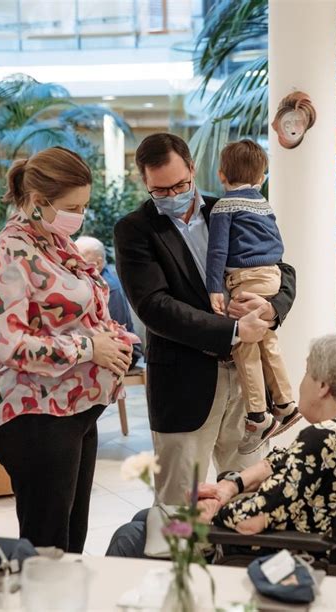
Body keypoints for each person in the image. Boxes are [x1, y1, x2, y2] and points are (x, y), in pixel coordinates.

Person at [114, 133, 296, 505]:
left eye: (180, 184)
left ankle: (237, 561)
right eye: (159, 190)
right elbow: (153, 306)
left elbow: (280, 267)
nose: (172, 195)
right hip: (186, 381)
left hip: (247, 385)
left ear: (193, 169)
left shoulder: (226, 208)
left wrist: (272, 307)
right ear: (145, 182)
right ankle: (178, 563)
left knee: (247, 493)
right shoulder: (135, 230)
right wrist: (232, 330)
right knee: (180, 501)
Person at [105, 333, 336, 558]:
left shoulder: (320, 440)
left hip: (273, 551)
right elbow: (282, 461)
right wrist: (231, 486)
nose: (298, 382)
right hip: (309, 535)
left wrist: (215, 507)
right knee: (146, 519)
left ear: (323, 387)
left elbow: (248, 522)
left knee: (129, 536)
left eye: (306, 373)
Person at [0, 147, 134, 553]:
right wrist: (90, 347)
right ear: (37, 201)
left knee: (71, 546)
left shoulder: (54, 242)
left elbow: (76, 310)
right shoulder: (8, 251)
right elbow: (13, 345)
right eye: (70, 206)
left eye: (82, 206)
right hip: (36, 416)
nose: (78, 216)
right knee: (48, 550)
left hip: (75, 410)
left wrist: (112, 337)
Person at [207, 139, 300, 455]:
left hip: (246, 280)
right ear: (261, 178)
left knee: (244, 347)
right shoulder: (264, 204)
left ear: (222, 175)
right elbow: (278, 246)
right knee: (267, 342)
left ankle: (258, 415)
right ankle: (286, 404)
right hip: (271, 276)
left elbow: (217, 251)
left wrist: (213, 288)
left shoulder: (224, 207)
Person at [75, 236, 144, 369]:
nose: (75, 259)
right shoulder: (91, 280)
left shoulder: (109, 286)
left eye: (81, 256)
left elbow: (116, 330)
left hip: (125, 350)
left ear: (98, 262)